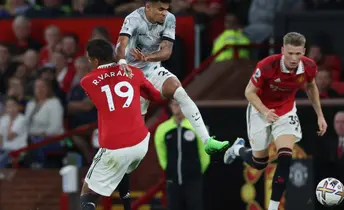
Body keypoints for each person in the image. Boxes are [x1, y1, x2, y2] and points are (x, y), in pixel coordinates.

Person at [223, 32, 328, 210]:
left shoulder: (309, 66)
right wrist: (265, 111)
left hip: (286, 112)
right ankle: (238, 148)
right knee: (259, 163)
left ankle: (273, 207)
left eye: (298, 53)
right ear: (282, 51)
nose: (294, 58)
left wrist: (320, 115)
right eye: (290, 53)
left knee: (285, 157)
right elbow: (249, 92)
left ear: (303, 51)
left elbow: (311, 86)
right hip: (260, 110)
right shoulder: (267, 65)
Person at [115, 0, 229, 154]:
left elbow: (167, 52)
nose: (164, 13)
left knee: (179, 90)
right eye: (160, 9)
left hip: (154, 70)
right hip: (131, 75)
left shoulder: (169, 19)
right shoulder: (133, 18)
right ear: (148, 7)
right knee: (133, 138)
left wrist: (147, 58)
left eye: (166, 9)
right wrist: (122, 61)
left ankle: (207, 140)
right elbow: (121, 44)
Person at [79, 39, 164, 210]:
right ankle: (127, 206)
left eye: (90, 60)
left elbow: (102, 97)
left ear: (95, 61)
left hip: (114, 145)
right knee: (123, 169)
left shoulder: (87, 81)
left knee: (87, 192)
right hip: (140, 142)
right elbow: (156, 96)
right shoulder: (134, 72)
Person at [154, 100, 210, 210]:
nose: (176, 107)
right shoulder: (163, 129)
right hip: (173, 179)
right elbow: (161, 151)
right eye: (173, 104)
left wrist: (197, 169)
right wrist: (169, 168)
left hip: (193, 179)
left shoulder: (196, 126)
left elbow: (205, 151)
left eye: (179, 104)